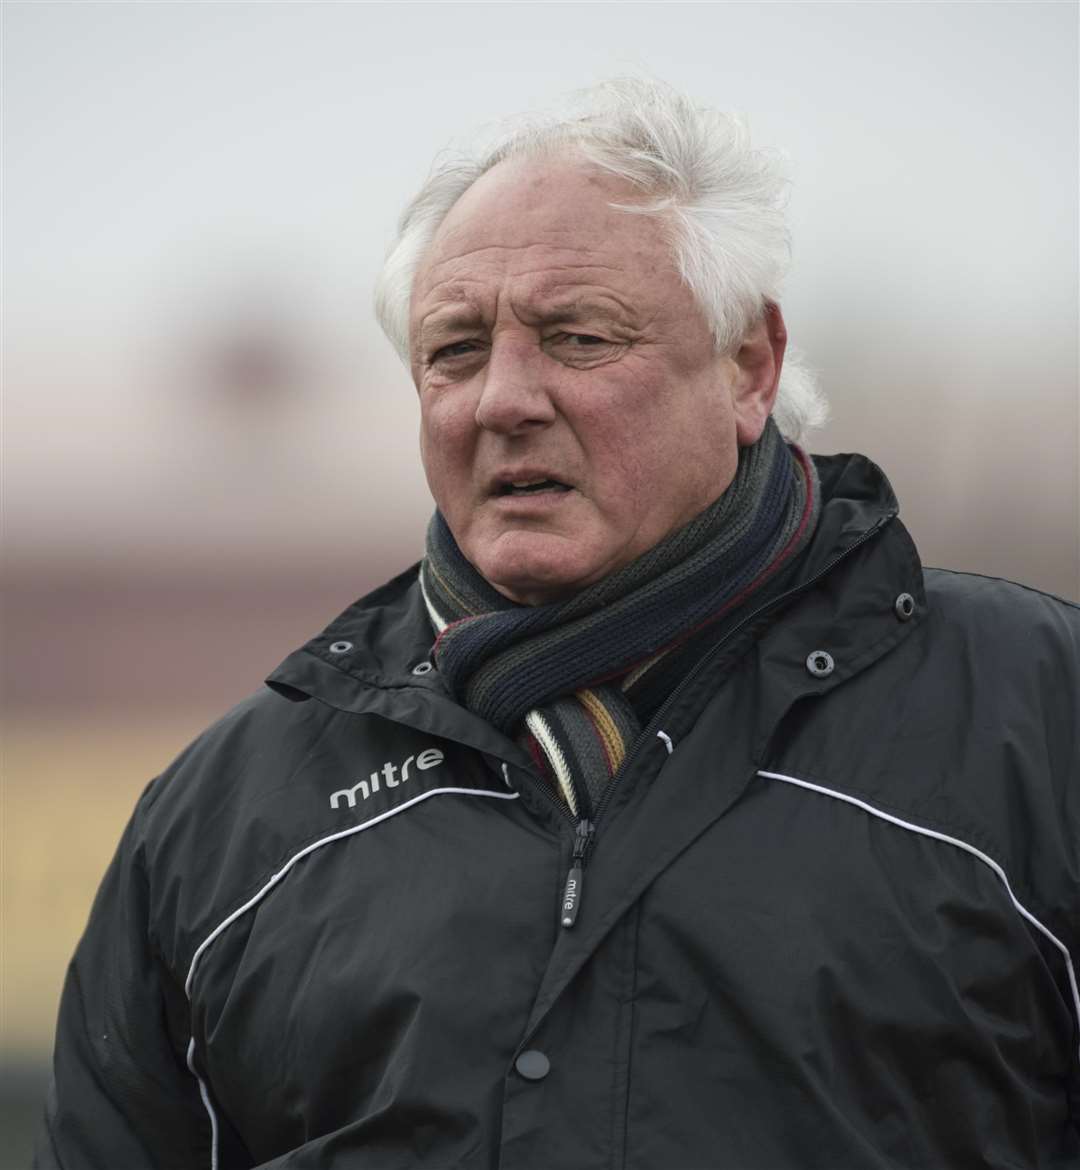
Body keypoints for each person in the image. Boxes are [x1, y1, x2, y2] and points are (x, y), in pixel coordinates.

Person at [37, 78, 1079, 1170]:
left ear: (749, 365)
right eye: (455, 351)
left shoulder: (1037, 721)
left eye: (577, 338)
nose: (503, 399)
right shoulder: (227, 820)